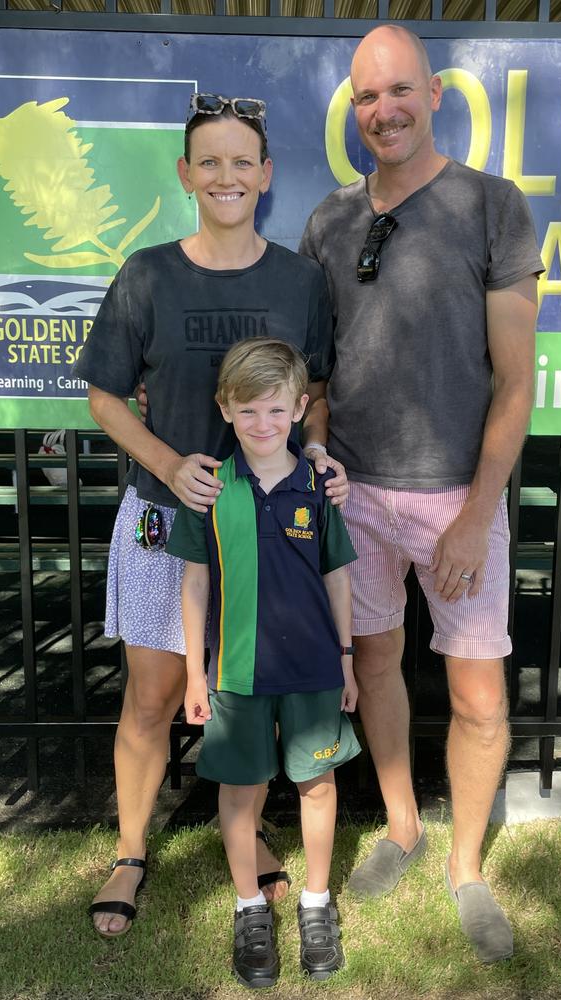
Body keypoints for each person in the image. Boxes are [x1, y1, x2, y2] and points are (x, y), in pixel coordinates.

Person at [299, 25, 544, 963]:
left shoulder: (492, 206)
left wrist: (479, 512)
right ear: (354, 112)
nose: (383, 111)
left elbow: (515, 380)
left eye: (398, 90)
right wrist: (320, 461)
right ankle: (402, 825)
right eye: (366, 98)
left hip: (456, 500)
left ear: (434, 93)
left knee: (479, 695)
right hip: (355, 496)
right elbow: (316, 378)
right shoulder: (327, 222)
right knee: (379, 667)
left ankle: (468, 869)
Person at [74, 92, 345, 937]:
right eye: (210, 162)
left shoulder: (303, 281)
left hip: (268, 533)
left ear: (266, 176)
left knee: (253, 687)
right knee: (155, 693)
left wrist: (318, 458)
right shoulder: (147, 274)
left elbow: (318, 395)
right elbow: (103, 398)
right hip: (167, 517)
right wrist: (168, 464)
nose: (226, 176)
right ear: (186, 173)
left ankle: (250, 830)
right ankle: (130, 850)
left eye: (243, 162)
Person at [166, 337, 360, 988]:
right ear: (225, 409)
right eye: (248, 411)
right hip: (239, 674)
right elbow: (194, 583)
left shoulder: (318, 484)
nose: (263, 424)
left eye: (277, 411)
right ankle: (251, 907)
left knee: (318, 786)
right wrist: (195, 672)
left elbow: (337, 577)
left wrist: (347, 657)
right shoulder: (210, 488)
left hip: (313, 669)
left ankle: (314, 903)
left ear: (300, 408)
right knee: (241, 791)